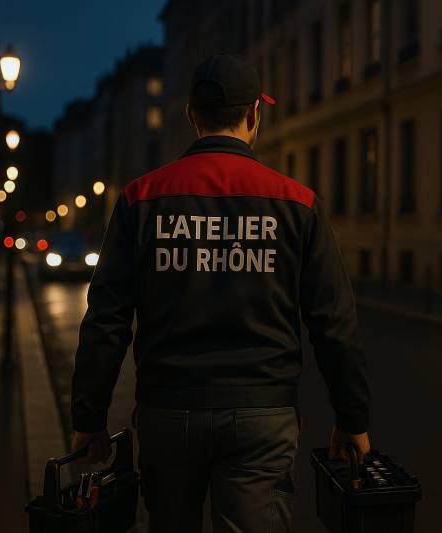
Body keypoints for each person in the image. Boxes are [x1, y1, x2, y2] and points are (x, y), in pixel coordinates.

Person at [69, 53, 371, 532]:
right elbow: (333, 322)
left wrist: (88, 417)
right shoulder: (298, 203)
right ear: (254, 114)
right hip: (261, 415)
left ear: (191, 116)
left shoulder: (140, 198)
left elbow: (106, 317)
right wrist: (352, 418)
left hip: (168, 409)